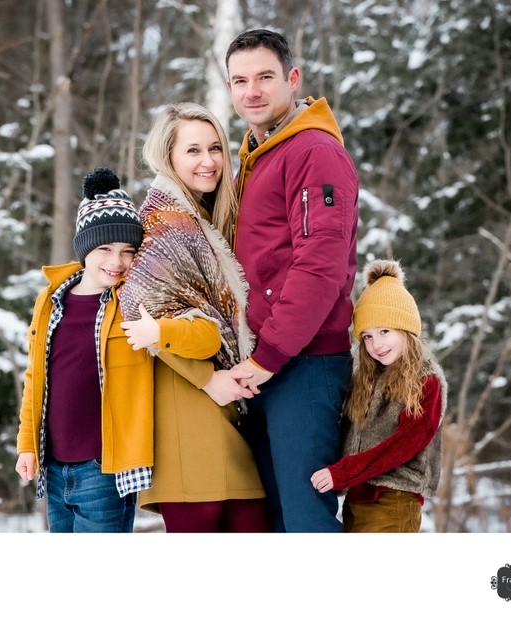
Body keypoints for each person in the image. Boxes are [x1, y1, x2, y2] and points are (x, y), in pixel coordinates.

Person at [223, 28, 359, 531]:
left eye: (264, 77)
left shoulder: (313, 152)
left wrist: (267, 357)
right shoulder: (258, 154)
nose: (251, 91)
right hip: (268, 362)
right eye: (240, 80)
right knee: (276, 518)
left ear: (292, 79)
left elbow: (319, 265)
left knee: (305, 519)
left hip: (303, 363)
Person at [120, 102, 268, 533]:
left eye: (215, 148)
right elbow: (140, 315)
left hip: (225, 408)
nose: (208, 162)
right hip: (188, 410)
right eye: (193, 151)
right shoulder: (162, 223)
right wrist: (208, 379)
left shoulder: (202, 219)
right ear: (168, 157)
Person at [14, 167, 153, 533]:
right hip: (55, 466)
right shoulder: (51, 299)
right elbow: (36, 377)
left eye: (127, 251)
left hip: (103, 467)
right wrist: (27, 444)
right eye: (104, 248)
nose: (116, 261)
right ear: (84, 248)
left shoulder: (133, 300)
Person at [310, 259, 446, 533]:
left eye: (384, 331)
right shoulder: (367, 376)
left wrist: (343, 473)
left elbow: (404, 446)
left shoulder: (426, 381)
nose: (376, 345)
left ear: (406, 329)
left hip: (394, 501)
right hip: (357, 500)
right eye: (367, 336)